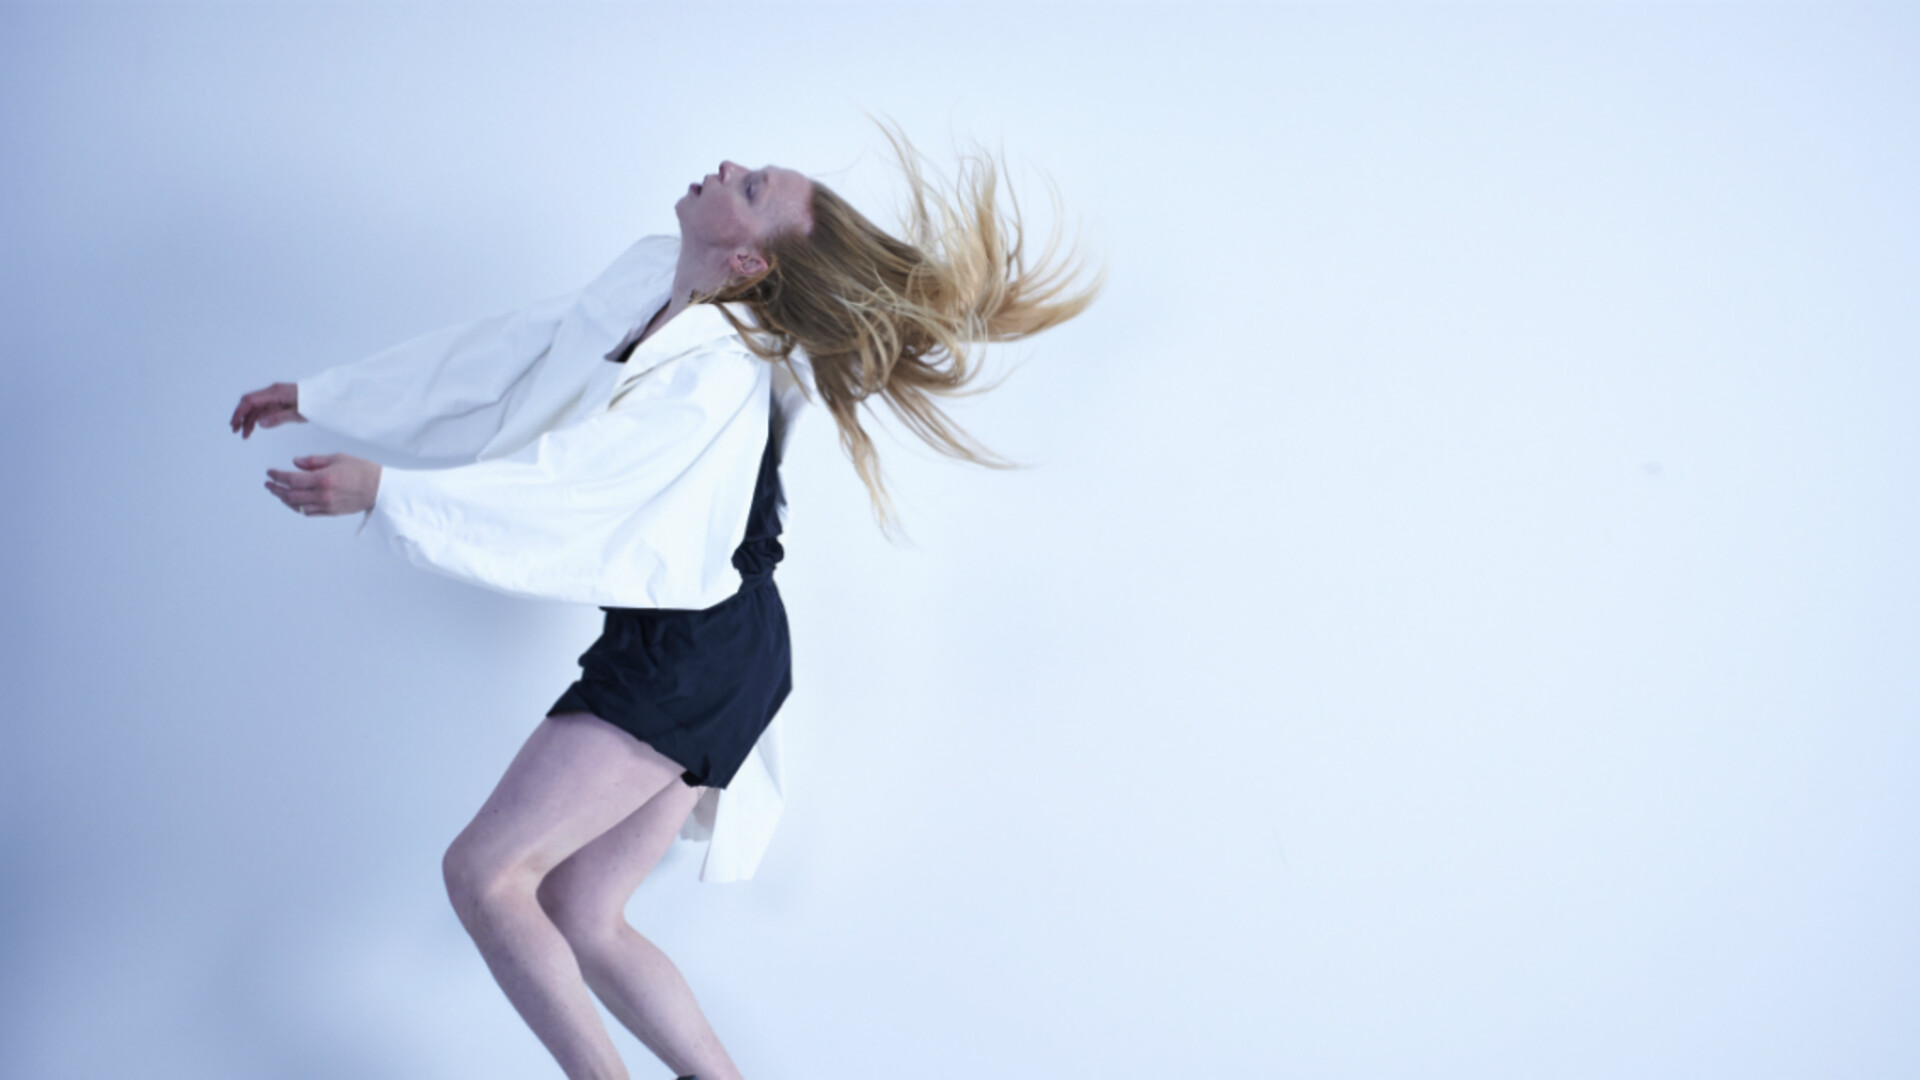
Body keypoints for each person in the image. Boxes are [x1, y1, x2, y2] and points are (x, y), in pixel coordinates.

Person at [228, 126, 1099, 1080]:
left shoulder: (716, 371)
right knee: (583, 911)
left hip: (700, 648)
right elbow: (517, 353)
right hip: (718, 642)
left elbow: (577, 488)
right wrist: (329, 393)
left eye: (753, 184)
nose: (730, 164)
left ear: (746, 256)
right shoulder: (654, 279)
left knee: (484, 875)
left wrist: (389, 493)